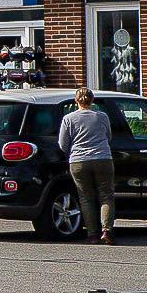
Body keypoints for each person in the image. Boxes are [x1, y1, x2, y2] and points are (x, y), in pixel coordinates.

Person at [60, 87, 118, 244]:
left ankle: (92, 234)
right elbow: (109, 136)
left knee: (86, 197)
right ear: (92, 100)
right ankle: (107, 230)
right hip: (103, 158)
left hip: (78, 160)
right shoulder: (102, 116)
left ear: (76, 101)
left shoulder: (69, 118)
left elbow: (63, 144)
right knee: (106, 195)